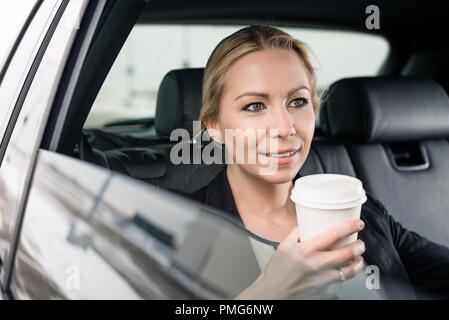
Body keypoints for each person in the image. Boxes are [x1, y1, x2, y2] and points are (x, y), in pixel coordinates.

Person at [184, 25, 449, 299]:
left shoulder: (362, 211)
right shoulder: (181, 222)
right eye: (254, 106)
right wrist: (269, 292)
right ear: (214, 126)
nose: (285, 127)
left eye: (298, 101)